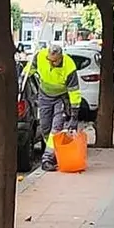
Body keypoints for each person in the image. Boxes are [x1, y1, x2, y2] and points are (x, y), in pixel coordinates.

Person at [22, 43, 82, 171]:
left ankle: (47, 158)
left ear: (61, 57)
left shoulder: (69, 66)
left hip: (61, 97)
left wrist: (74, 114)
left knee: (56, 128)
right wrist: (23, 77)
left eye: (54, 61)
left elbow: (74, 92)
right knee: (45, 128)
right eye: (49, 60)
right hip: (44, 96)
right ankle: (54, 151)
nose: (51, 63)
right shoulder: (41, 56)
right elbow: (30, 69)